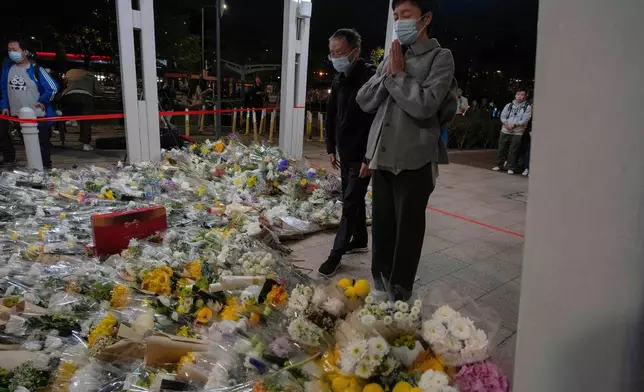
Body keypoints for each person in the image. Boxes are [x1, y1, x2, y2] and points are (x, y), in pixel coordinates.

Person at [356, 0, 458, 300]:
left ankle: (400, 294)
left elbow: (425, 104)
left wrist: (399, 76)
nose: (399, 21)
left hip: (415, 159)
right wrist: (390, 72)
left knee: (407, 233)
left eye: (407, 15)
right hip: (382, 157)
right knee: (383, 228)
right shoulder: (393, 56)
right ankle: (380, 286)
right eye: (396, 16)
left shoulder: (441, 58)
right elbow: (365, 100)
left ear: (425, 19)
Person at [318, 28, 376, 277]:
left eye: (339, 53)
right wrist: (331, 147)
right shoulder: (339, 79)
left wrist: (369, 156)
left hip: (362, 156)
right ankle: (361, 238)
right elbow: (331, 116)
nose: (334, 58)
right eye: (331, 53)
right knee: (353, 197)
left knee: (350, 204)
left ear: (354, 52)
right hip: (345, 153)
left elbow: (377, 121)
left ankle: (335, 255)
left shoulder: (370, 78)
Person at [0, 39, 58, 168]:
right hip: (18, 115)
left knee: (42, 145)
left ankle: (46, 169)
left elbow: (52, 87)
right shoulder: (8, 69)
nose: (11, 52)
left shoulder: (37, 69)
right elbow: (4, 89)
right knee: (27, 143)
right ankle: (34, 169)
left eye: (14, 50)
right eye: (9, 50)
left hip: (37, 114)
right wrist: (4, 106)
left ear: (25, 52)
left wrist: (42, 100)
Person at [61, 66, 102, 151]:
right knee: (86, 120)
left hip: (69, 95)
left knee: (66, 109)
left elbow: (63, 85)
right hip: (86, 96)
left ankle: (70, 118)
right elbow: (98, 90)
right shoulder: (90, 75)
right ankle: (85, 144)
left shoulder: (69, 72)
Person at [492, 89, 533, 174]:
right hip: (505, 130)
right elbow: (503, 116)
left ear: (525, 96)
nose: (520, 96)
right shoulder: (509, 105)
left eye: (522, 95)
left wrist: (514, 125)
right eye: (518, 94)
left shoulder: (527, 107)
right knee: (502, 148)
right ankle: (499, 164)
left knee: (513, 150)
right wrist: (507, 124)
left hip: (517, 132)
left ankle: (510, 167)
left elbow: (525, 119)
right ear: (515, 95)